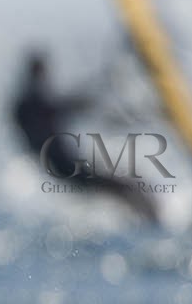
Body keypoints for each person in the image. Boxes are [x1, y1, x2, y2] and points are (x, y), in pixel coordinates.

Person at [11, 51, 157, 222]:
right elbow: (62, 107)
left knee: (128, 185)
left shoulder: (30, 104)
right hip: (66, 169)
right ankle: (153, 223)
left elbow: (64, 107)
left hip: (63, 167)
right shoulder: (32, 104)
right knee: (129, 187)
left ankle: (147, 220)